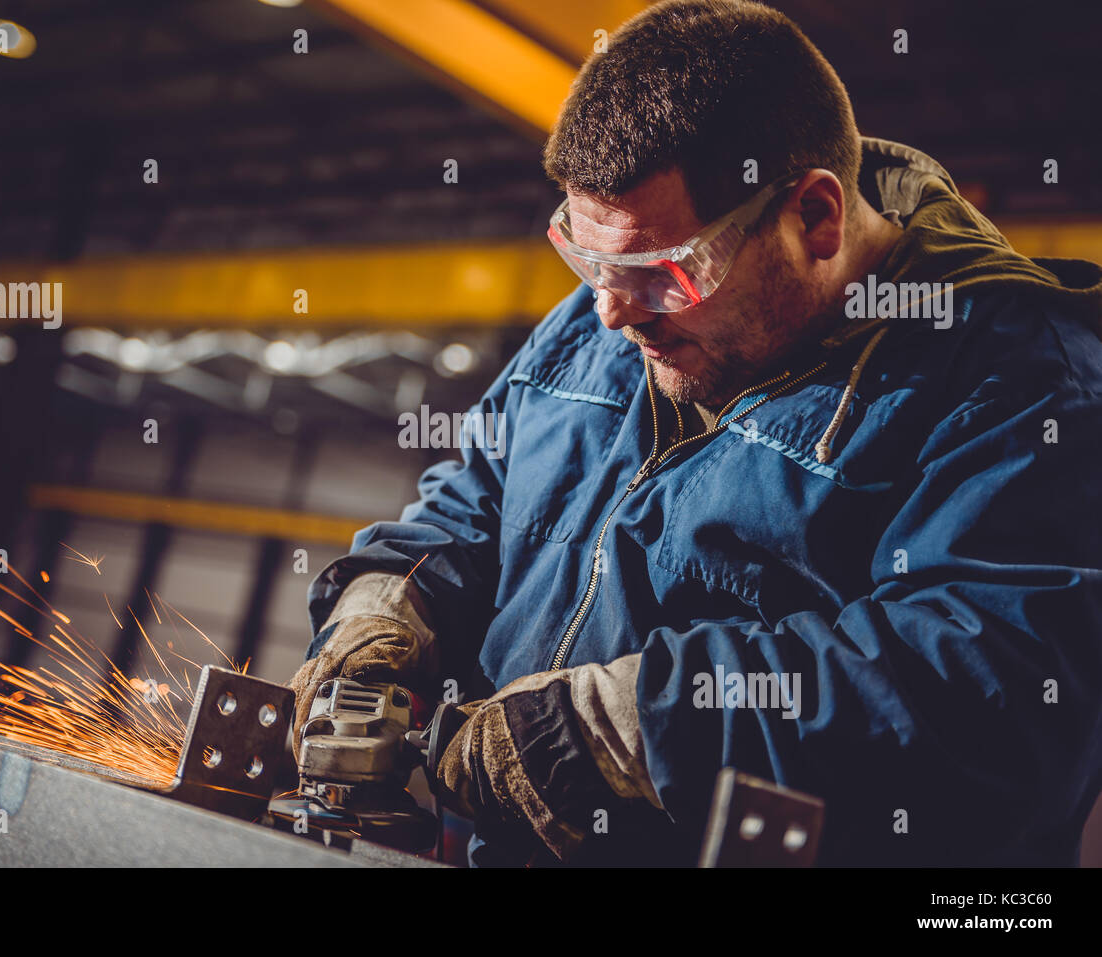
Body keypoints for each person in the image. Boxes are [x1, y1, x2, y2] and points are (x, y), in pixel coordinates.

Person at [292, 0, 1102, 865]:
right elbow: (477, 497)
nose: (608, 313)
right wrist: (387, 601)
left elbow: (999, 703)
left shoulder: (1019, 381)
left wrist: (632, 727)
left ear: (816, 218)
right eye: (587, 258)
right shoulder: (614, 305)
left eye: (661, 274)